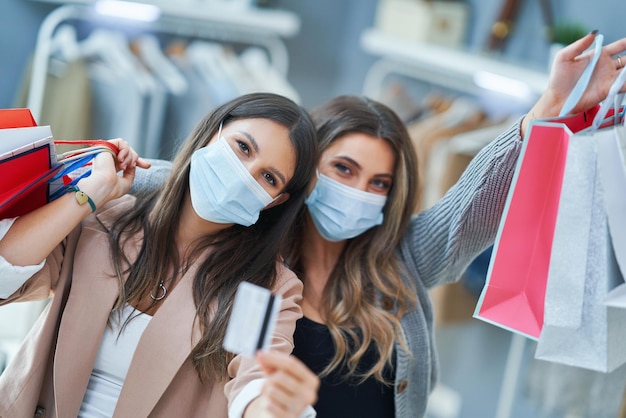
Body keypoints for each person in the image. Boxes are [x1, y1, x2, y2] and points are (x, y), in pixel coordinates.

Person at [281, 31, 626, 418]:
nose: (360, 192)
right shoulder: (259, 269)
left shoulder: (398, 259)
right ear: (308, 164)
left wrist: (550, 106)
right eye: (344, 170)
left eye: (379, 183)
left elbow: (471, 209)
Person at [0, 92, 320, 418]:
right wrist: (91, 192)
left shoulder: (264, 285)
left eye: (269, 177)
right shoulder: (105, 218)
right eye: (243, 147)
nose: (245, 173)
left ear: (276, 201)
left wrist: (270, 405)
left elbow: (255, 374)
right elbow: (4, 275)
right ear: (213, 131)